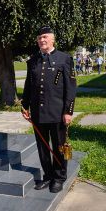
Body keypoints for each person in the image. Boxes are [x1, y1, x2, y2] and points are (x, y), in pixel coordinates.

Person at [21, 26, 77, 193]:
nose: (41, 40)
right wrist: (25, 106)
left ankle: (59, 177)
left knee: (59, 146)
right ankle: (48, 176)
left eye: (45, 37)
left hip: (58, 112)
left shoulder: (64, 59)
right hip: (38, 112)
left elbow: (71, 87)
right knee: (42, 147)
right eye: (39, 38)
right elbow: (28, 85)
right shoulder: (33, 61)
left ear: (52, 39)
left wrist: (68, 111)